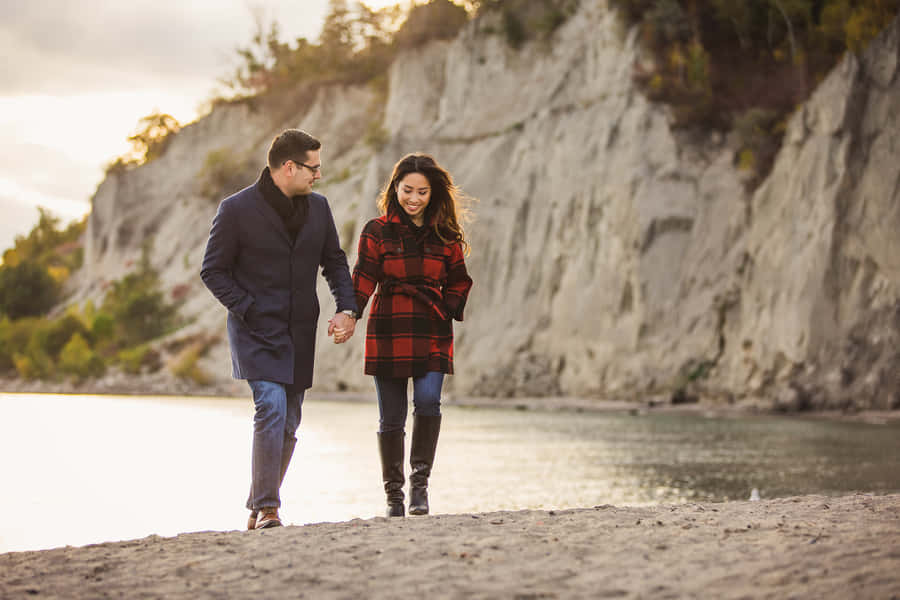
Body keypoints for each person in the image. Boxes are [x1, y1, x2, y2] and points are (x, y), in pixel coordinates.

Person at [200, 129, 359, 530]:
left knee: (290, 420)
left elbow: (335, 262)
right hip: (254, 330)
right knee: (270, 405)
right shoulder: (235, 209)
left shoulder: (320, 209)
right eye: (313, 168)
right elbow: (213, 271)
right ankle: (270, 507)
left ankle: (258, 504)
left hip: (300, 331)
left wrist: (347, 308)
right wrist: (247, 308)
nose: (318, 176)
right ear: (289, 167)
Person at [348, 153, 473, 517]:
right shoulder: (377, 230)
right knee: (391, 418)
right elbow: (364, 277)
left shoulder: (445, 235)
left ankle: (420, 487)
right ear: (395, 189)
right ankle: (394, 497)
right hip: (389, 326)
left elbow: (460, 280)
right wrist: (350, 313)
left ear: (433, 194)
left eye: (422, 191)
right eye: (407, 190)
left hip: (433, 327)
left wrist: (447, 306)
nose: (414, 198)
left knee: (430, 401)